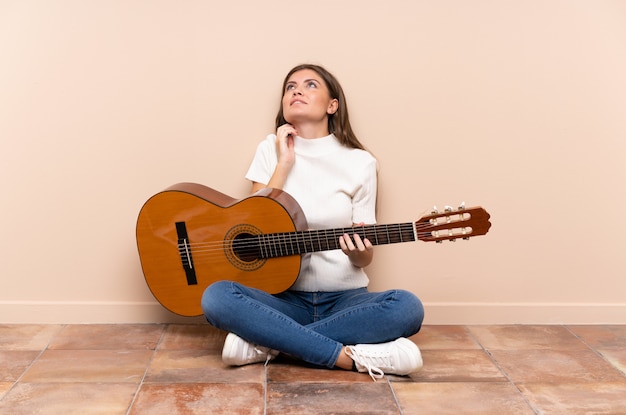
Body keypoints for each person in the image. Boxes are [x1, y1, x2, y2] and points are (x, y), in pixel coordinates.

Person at [201, 63, 424, 380]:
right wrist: (284, 163)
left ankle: (270, 343)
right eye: (290, 87)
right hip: (282, 299)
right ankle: (351, 359)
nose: (297, 91)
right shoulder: (269, 149)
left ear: (332, 105)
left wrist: (357, 250)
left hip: (345, 301)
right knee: (216, 297)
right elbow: (251, 221)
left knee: (407, 307)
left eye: (310, 85)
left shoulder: (360, 162)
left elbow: (365, 256)